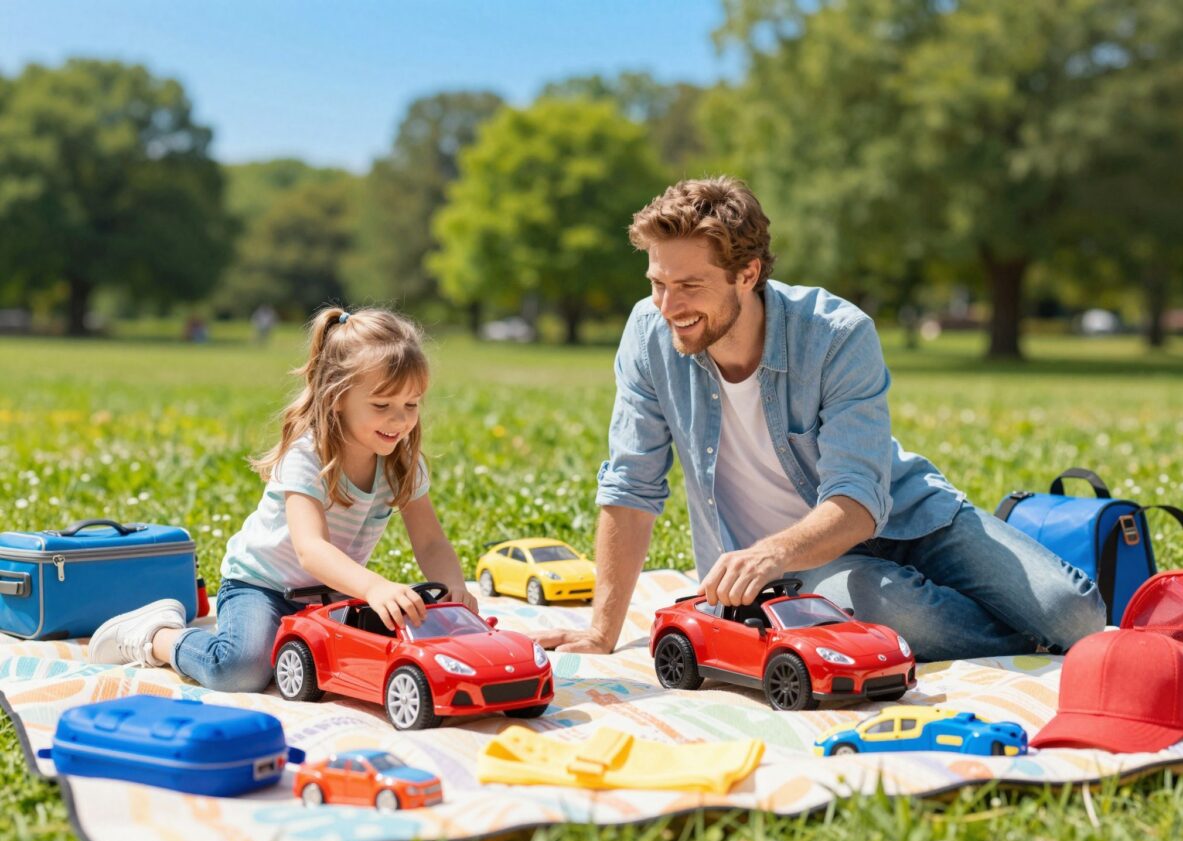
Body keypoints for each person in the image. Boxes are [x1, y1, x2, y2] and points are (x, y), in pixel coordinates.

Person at [537, 177, 1104, 660]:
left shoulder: (836, 334)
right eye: (658, 284)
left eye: (689, 286)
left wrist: (773, 549)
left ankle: (1026, 614)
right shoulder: (647, 335)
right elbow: (631, 486)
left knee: (1075, 615)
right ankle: (1021, 640)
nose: (668, 307)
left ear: (747, 273)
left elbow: (857, 500)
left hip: (907, 516)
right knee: (892, 604)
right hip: (790, 573)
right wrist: (600, 632)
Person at [89, 307, 474, 691]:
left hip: (333, 594)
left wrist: (454, 586)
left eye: (411, 404)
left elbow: (430, 541)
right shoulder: (309, 456)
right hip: (263, 588)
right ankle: (158, 636)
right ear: (337, 396)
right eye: (381, 405)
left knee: (393, 653)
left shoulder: (400, 464)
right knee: (240, 670)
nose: (400, 420)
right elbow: (312, 550)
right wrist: (375, 587)